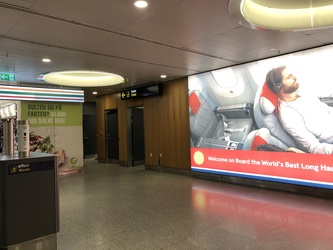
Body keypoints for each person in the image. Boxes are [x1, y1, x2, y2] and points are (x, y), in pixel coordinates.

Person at [266, 66, 333, 154]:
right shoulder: (288, 116)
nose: (295, 77)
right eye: (289, 77)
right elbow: (314, 147)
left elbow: (325, 109)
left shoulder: (301, 93)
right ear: (278, 87)